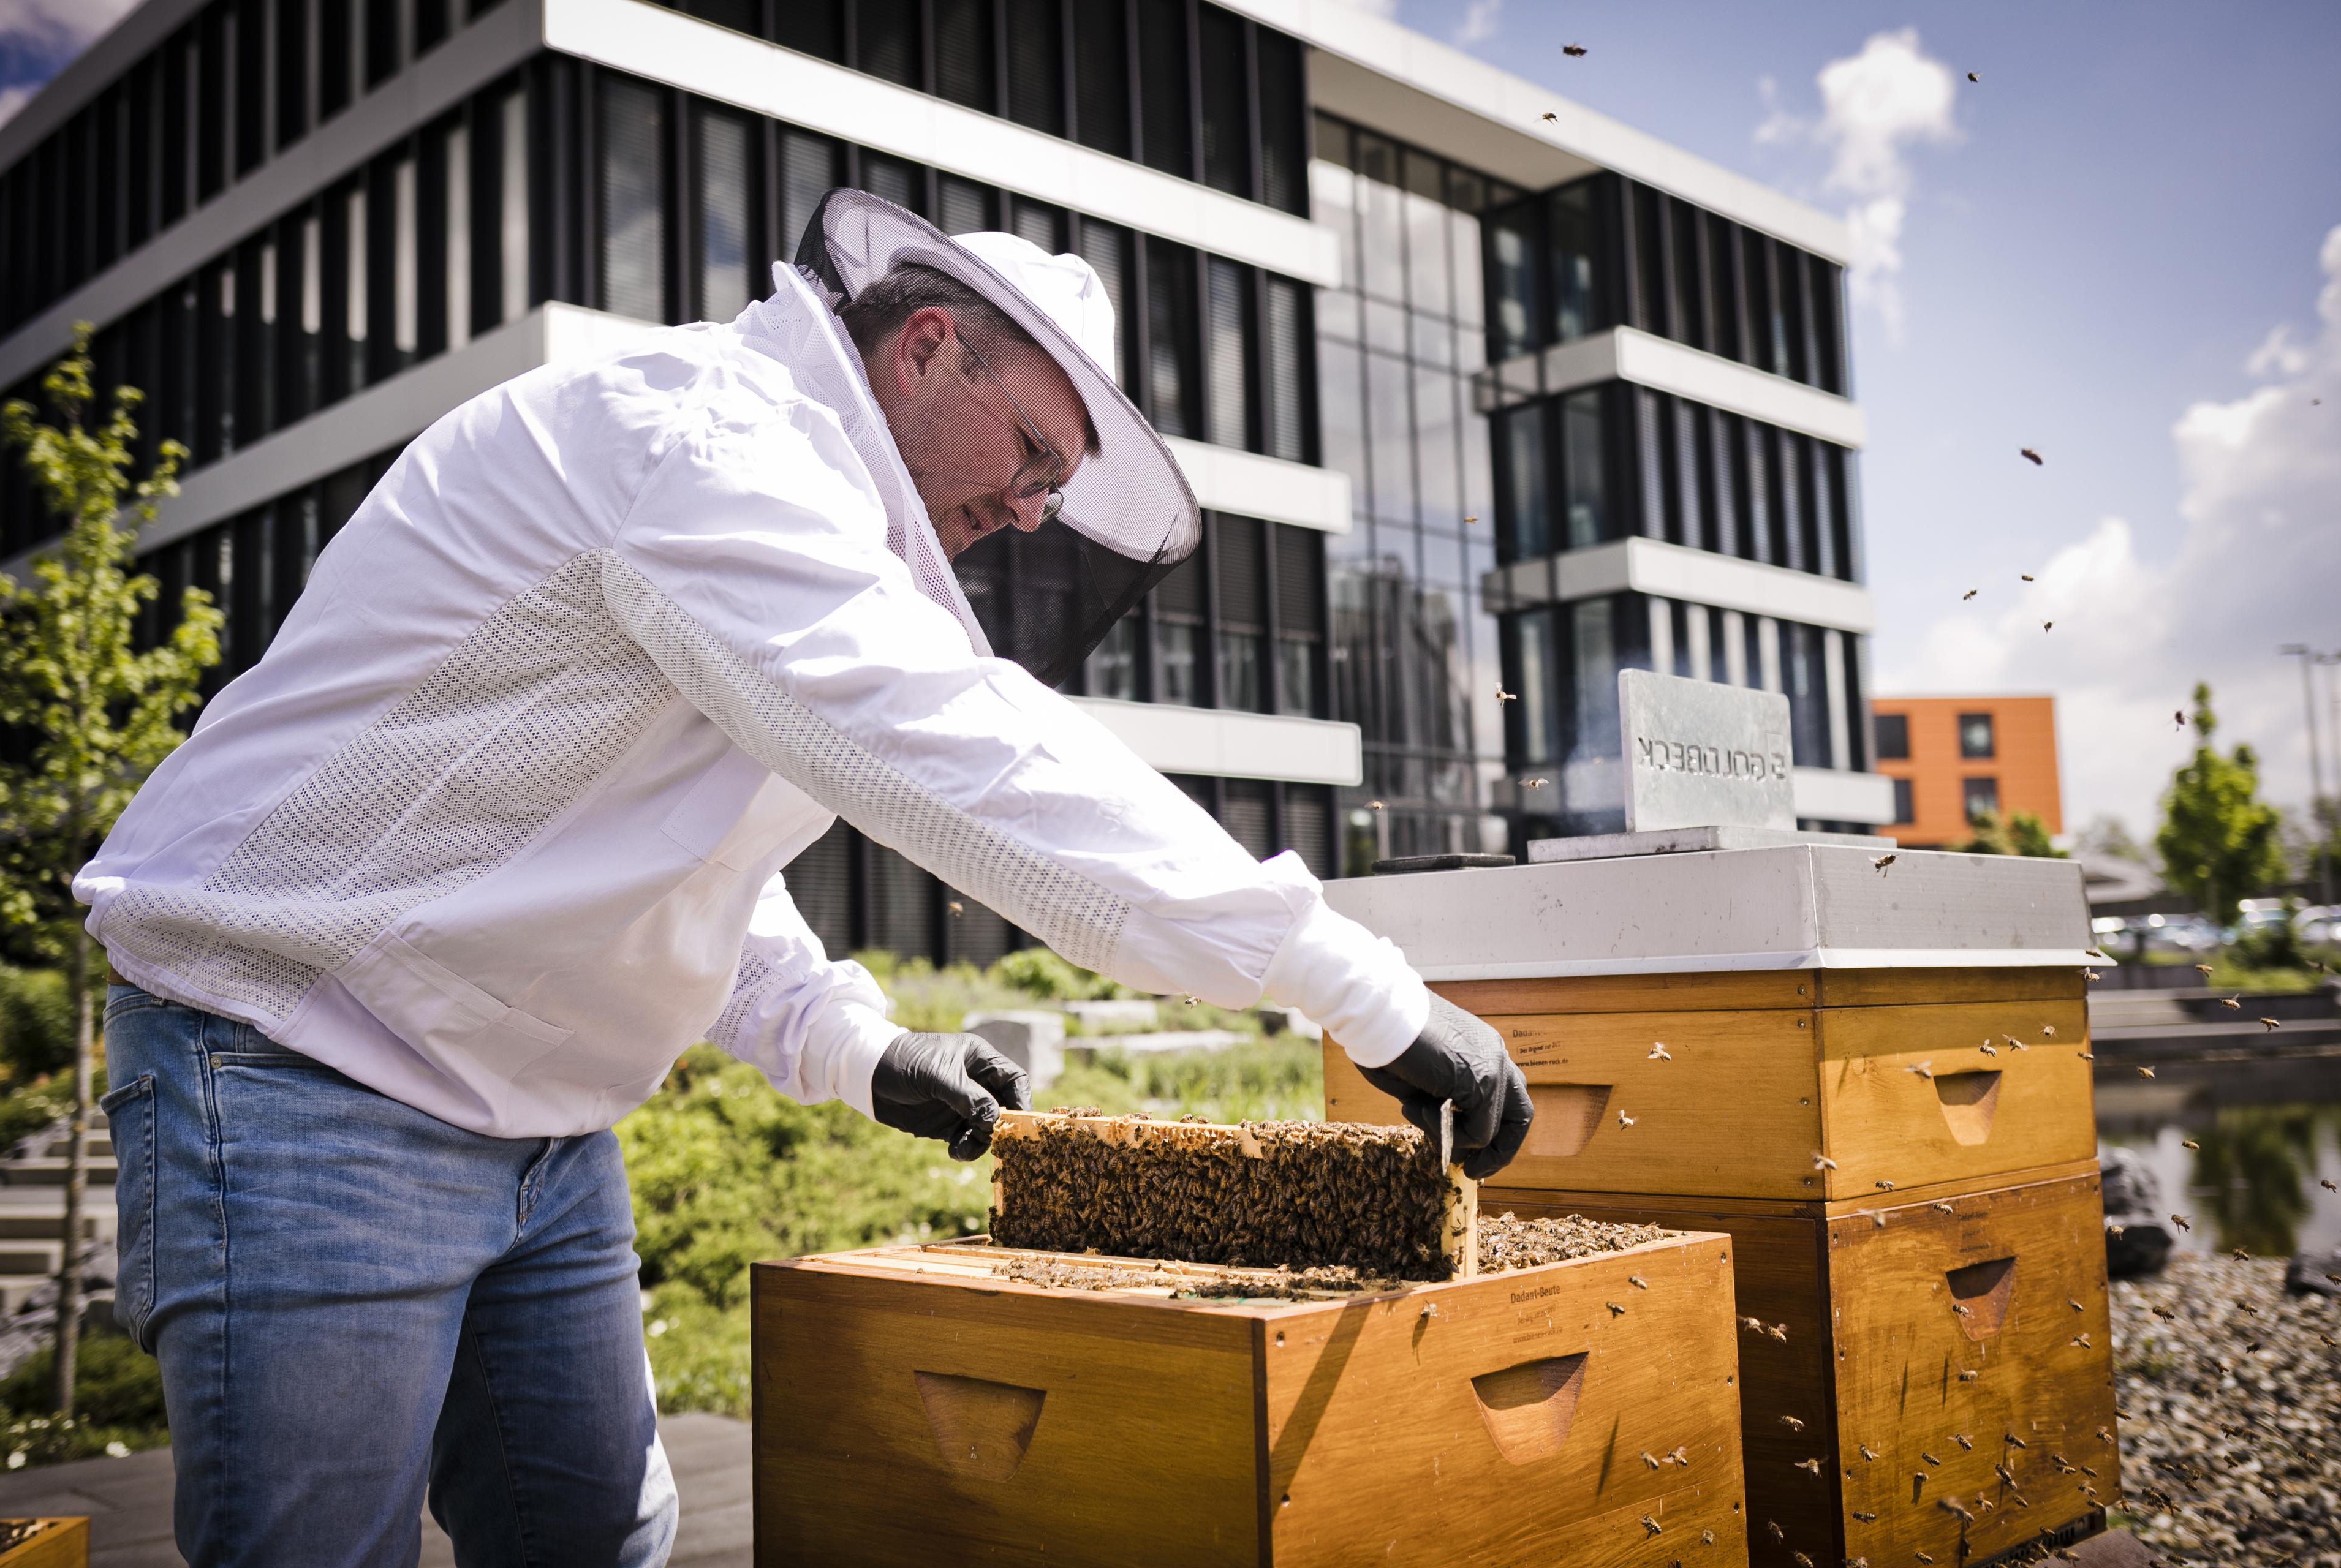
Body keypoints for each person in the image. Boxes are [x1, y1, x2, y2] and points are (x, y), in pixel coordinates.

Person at [74, 190, 1531, 1566]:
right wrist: (1350, 979)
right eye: (1032, 452)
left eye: (1056, 486)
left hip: (543, 1129)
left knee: (593, 1539)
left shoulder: (796, 528)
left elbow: (673, 854)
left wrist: (856, 1042)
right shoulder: (704, 443)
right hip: (298, 1068)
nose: (1032, 510)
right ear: (925, 344)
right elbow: (968, 758)